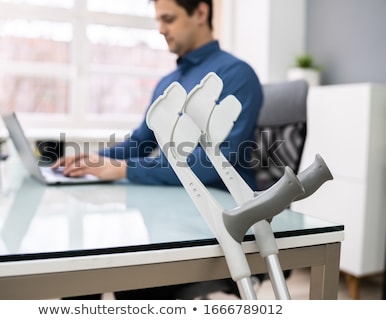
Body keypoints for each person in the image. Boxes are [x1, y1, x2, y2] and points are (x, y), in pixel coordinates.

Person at [55, 0, 263, 300]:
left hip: (214, 219)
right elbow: (141, 142)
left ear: (201, 13)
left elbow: (211, 164)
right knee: (81, 267)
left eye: (169, 19)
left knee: (129, 281)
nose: (161, 29)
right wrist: (97, 159)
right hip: (170, 207)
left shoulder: (236, 75)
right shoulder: (169, 82)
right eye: (158, 20)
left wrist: (125, 169)